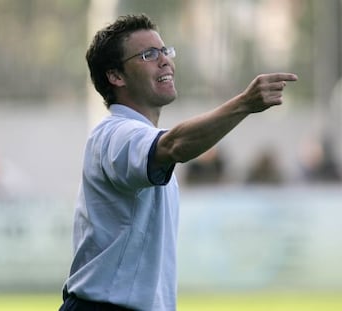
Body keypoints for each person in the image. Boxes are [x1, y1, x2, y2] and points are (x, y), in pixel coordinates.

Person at [59, 14, 297, 311]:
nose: (164, 61)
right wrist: (244, 104)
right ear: (116, 76)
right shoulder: (114, 133)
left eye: (165, 51)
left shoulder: (137, 135)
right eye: (148, 55)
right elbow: (174, 144)